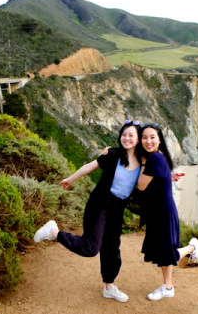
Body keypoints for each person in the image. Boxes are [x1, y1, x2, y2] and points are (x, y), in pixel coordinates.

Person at [32, 120, 144, 303]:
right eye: (124, 134)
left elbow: (152, 174)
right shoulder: (113, 154)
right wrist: (71, 179)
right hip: (100, 204)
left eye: (131, 135)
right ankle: (53, 232)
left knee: (111, 249)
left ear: (138, 139)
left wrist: (169, 177)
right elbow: (90, 166)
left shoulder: (143, 160)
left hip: (118, 209)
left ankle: (109, 287)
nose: (127, 138)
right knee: (90, 248)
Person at [134, 123, 198, 301]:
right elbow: (159, 176)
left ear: (159, 139)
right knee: (162, 250)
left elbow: (141, 186)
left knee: (166, 252)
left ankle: (192, 247)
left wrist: (141, 162)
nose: (148, 141)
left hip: (163, 212)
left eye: (152, 137)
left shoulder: (153, 159)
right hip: (160, 210)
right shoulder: (158, 157)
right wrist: (167, 177)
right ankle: (168, 287)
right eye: (144, 137)